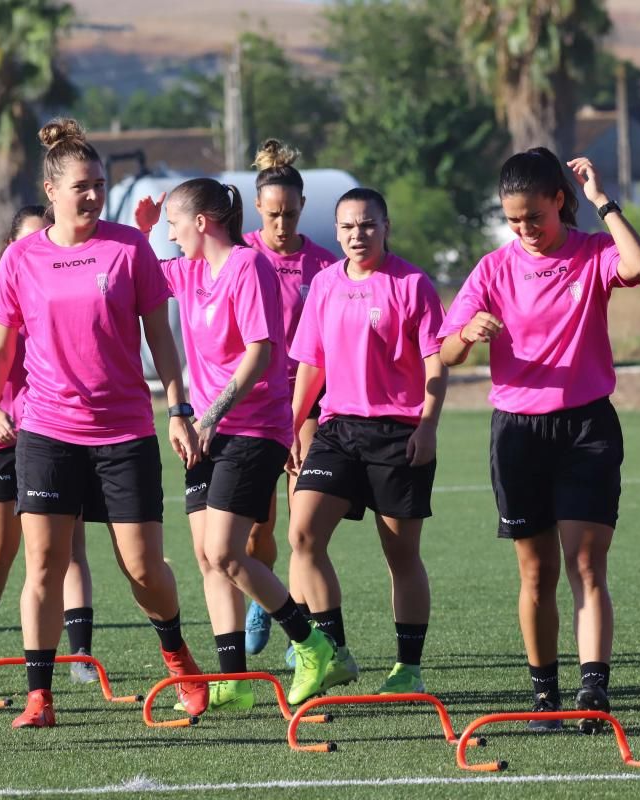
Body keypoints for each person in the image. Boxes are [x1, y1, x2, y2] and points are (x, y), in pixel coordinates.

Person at [0, 117, 208, 729]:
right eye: (82, 185)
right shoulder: (21, 259)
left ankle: (177, 655)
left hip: (125, 432)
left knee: (142, 567)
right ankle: (39, 696)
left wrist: (178, 409)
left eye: (99, 183)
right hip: (47, 433)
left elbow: (163, 339)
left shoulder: (128, 248)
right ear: (51, 190)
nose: (93, 194)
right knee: (42, 565)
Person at [438, 149, 640, 732]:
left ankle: (593, 692)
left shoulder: (591, 253)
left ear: (561, 200)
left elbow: (637, 264)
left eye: (535, 215)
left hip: (586, 427)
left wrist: (603, 201)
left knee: (586, 564)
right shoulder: (492, 269)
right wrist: (467, 333)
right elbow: (447, 352)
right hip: (518, 433)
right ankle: (544, 697)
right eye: (513, 220)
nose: (525, 229)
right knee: (536, 574)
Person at [135, 179, 338, 710]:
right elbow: (138, 278)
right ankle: (235, 681)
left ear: (202, 222)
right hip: (208, 430)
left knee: (227, 551)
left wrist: (211, 415)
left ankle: (314, 644)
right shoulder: (191, 269)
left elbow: (260, 354)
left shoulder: (249, 267)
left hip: (253, 429)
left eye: (175, 227)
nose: (172, 238)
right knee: (207, 555)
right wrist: (140, 230)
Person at [288, 187, 447, 696]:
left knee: (401, 555)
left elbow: (435, 364)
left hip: (399, 434)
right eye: (349, 226)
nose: (358, 235)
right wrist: (291, 425)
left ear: (386, 227)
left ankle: (409, 668)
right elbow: (311, 362)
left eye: (368, 225)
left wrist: (427, 426)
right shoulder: (325, 284)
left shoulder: (412, 284)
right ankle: (333, 652)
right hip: (338, 429)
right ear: (335, 232)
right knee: (303, 536)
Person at [0, 205, 100, 686]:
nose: (42, 245)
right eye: (30, 239)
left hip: (57, 436)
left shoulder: (65, 289)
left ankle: (81, 654)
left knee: (70, 550)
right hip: (5, 437)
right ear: (11, 248)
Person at [241, 139, 341, 660]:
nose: (283, 224)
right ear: (259, 208)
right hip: (257, 405)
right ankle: (264, 597)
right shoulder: (242, 257)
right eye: (274, 214)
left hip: (309, 403)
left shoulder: (325, 265)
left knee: (305, 526)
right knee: (260, 530)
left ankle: (301, 633)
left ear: (304, 210)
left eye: (292, 214)